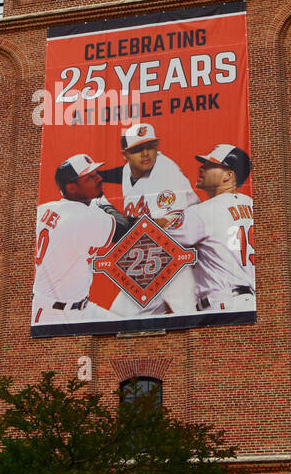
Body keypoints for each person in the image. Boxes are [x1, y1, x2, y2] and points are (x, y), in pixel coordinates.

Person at [101, 122, 199, 317]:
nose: (146, 153)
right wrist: (89, 179)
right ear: (125, 155)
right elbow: (116, 174)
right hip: (157, 262)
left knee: (193, 322)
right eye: (138, 149)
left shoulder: (165, 172)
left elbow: (162, 225)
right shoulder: (128, 170)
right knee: (117, 319)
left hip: (185, 261)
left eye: (150, 146)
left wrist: (111, 214)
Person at [158, 144, 255, 315]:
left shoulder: (205, 211)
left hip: (223, 303)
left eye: (210, 165)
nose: (202, 167)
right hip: (250, 303)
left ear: (228, 175)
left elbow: (158, 233)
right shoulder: (253, 205)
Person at [32, 154, 124, 327]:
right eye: (89, 177)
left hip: (80, 307)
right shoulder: (83, 216)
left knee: (125, 329)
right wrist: (103, 203)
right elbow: (123, 228)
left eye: (96, 173)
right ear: (72, 188)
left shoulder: (44, 209)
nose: (98, 178)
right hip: (52, 315)